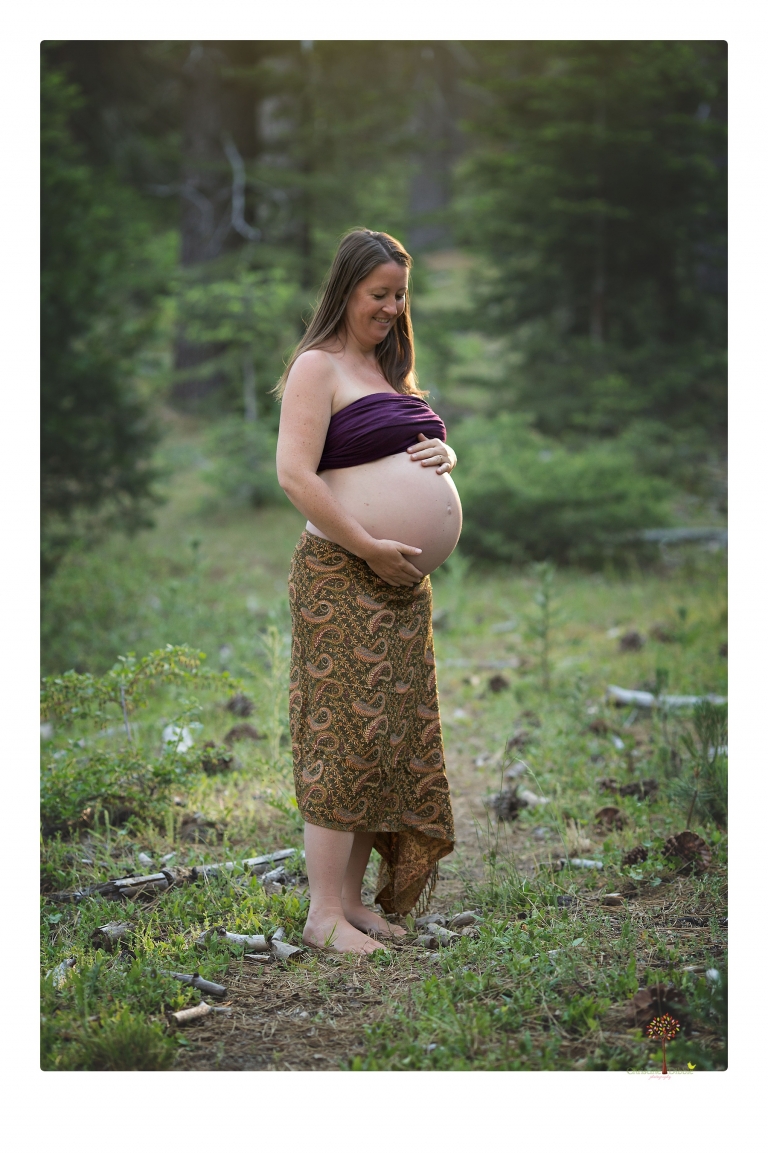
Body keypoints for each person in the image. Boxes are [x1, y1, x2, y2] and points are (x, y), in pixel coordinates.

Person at [275, 228, 461, 954]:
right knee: (341, 738)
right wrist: (368, 546)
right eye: (378, 294)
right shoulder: (317, 366)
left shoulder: (386, 370)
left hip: (398, 585)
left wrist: (444, 451)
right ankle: (322, 914)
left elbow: (397, 447)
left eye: (400, 296)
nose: (391, 308)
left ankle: (351, 903)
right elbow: (295, 474)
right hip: (343, 575)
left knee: (381, 741)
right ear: (346, 290)